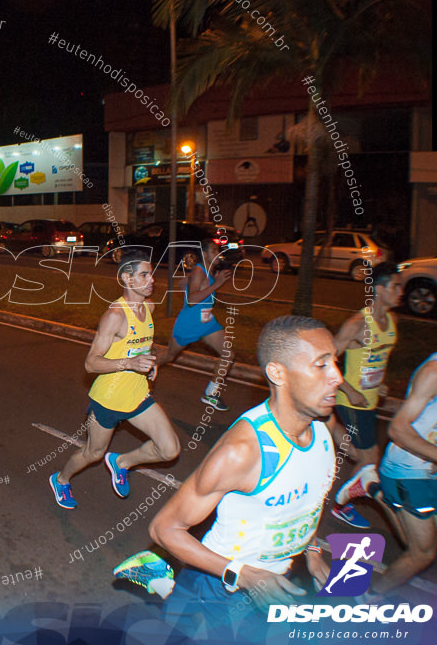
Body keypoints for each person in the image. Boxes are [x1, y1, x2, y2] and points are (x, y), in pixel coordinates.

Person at [146, 315, 340, 642]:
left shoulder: (325, 428)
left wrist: (312, 549)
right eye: (321, 365)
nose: (337, 376)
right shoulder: (242, 453)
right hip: (216, 590)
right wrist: (243, 575)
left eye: (336, 361)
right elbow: (163, 528)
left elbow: (305, 497)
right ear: (278, 373)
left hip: (272, 583)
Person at [338, 309, 437, 597]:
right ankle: (369, 596)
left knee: (416, 541)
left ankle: (371, 486)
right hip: (407, 469)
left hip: (428, 469)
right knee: (422, 553)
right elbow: (398, 429)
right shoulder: (435, 372)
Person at [49, 250, 180, 508]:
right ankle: (61, 479)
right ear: (127, 279)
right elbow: (90, 362)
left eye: (151, 273)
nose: (151, 279)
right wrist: (129, 363)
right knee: (93, 453)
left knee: (170, 449)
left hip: (137, 395)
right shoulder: (115, 316)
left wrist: (150, 362)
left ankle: (122, 462)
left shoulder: (149, 307)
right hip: (107, 400)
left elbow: (142, 346)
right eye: (144, 274)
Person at [329, 262, 402, 528]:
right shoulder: (357, 324)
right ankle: (341, 505)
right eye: (396, 286)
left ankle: (328, 429)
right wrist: (349, 390)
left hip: (369, 401)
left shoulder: (391, 321)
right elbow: (328, 359)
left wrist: (379, 385)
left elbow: (375, 359)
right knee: (370, 462)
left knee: (367, 458)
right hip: (352, 402)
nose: (401, 291)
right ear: (380, 289)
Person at [154, 239, 235, 411]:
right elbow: (191, 301)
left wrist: (188, 281)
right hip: (189, 323)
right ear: (204, 254)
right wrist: (217, 284)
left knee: (228, 354)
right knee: (169, 356)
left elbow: (183, 284)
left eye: (218, 251)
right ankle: (143, 369)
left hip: (206, 322)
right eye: (214, 251)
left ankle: (211, 393)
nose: (217, 254)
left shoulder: (206, 271)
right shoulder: (200, 271)